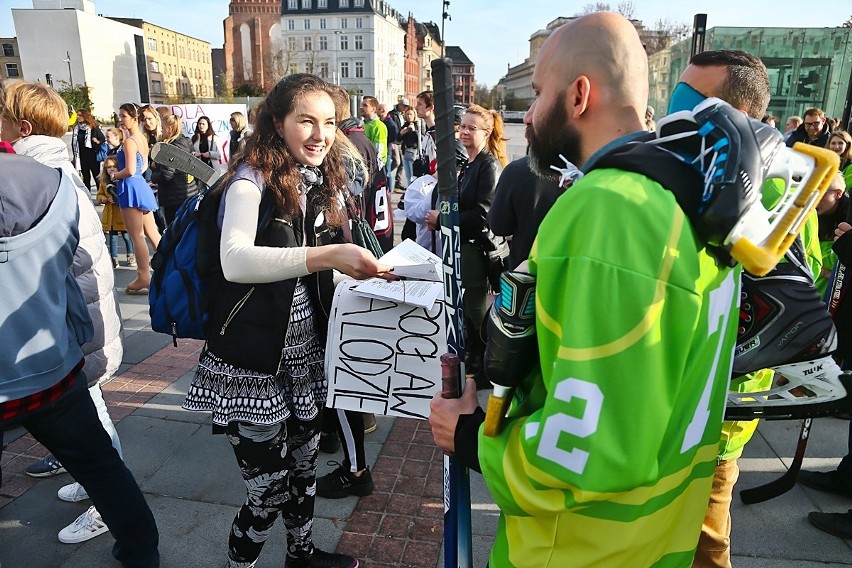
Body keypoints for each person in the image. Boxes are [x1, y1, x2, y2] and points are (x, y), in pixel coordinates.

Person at [429, 12, 741, 567]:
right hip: (650, 537)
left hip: (577, 547)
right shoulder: (692, 197)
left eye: (541, 91)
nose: (529, 110)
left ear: (579, 95)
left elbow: (591, 444)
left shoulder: (609, 208)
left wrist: (473, 438)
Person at [180, 73, 392, 568]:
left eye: (330, 123)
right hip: (251, 368)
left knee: (305, 474)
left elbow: (323, 274)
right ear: (277, 123)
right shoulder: (249, 181)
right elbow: (235, 260)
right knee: (268, 494)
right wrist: (327, 255)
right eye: (307, 121)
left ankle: (301, 556)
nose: (321, 134)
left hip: (306, 359)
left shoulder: (319, 181)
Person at [0, 78, 159, 566]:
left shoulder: (42, 172)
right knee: (100, 458)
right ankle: (139, 548)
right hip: (56, 355)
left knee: (102, 449)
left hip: (40, 351)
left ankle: (110, 519)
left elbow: (82, 269)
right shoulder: (52, 173)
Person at [427, 104, 507, 388]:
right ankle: (476, 361)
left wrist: (444, 218)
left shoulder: (488, 165)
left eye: (471, 128)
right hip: (467, 246)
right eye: (462, 127)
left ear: (486, 132)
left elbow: (484, 214)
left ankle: (488, 365)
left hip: (479, 248)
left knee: (475, 308)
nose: (464, 132)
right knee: (469, 306)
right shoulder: (473, 163)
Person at [112, 102, 161, 294]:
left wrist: (115, 175)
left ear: (134, 118)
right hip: (139, 186)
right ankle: (172, 264)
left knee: (137, 235)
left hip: (130, 187)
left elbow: (131, 170)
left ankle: (143, 276)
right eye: (120, 116)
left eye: (123, 116)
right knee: (152, 233)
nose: (120, 119)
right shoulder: (141, 138)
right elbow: (140, 168)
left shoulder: (130, 141)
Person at [489, 154, 564, 269]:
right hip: (569, 268)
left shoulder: (516, 170)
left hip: (524, 269)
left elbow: (499, 226)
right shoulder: (583, 172)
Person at [152, 113, 198, 224]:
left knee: (175, 231)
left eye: (162, 128)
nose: (161, 131)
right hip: (189, 191)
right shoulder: (186, 142)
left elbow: (167, 175)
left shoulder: (171, 148)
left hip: (174, 196)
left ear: (169, 129)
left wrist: (153, 175)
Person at [98, 155, 136, 268]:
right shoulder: (104, 182)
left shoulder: (123, 180)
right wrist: (103, 199)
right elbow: (100, 195)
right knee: (112, 237)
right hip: (110, 215)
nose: (112, 169)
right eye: (109, 167)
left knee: (126, 236)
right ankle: (114, 258)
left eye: (114, 166)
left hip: (121, 215)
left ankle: (130, 255)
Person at [72, 107, 105, 191]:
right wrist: (75, 157)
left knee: (96, 176)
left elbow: (102, 138)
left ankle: (100, 194)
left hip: (93, 156)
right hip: (82, 157)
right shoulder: (76, 129)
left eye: (80, 115)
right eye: (77, 115)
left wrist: (97, 141)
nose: (78, 117)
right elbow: (74, 143)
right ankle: (87, 196)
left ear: (85, 116)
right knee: (86, 177)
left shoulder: (93, 128)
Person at [377, 102, 400, 194]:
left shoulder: (389, 122)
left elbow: (394, 134)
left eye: (378, 109)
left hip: (387, 149)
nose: (377, 111)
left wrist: (388, 141)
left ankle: (389, 191)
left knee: (387, 172)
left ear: (383, 111)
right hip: (384, 149)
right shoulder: (382, 121)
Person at [359, 95, 387, 168]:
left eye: (365, 105)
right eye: (361, 105)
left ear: (373, 109)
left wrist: (375, 169)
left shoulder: (378, 126)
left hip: (373, 168)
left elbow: (379, 150)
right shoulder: (362, 124)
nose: (361, 107)